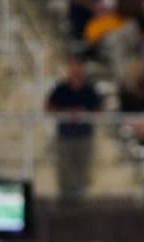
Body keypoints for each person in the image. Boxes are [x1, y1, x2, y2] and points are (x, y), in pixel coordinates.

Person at [45, 54, 103, 202]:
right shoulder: (61, 89)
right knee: (65, 168)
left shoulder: (89, 89)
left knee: (83, 167)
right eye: (73, 66)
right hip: (65, 135)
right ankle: (66, 198)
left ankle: (81, 197)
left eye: (78, 66)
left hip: (84, 135)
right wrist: (66, 112)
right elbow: (49, 107)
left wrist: (85, 113)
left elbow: (99, 109)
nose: (75, 69)